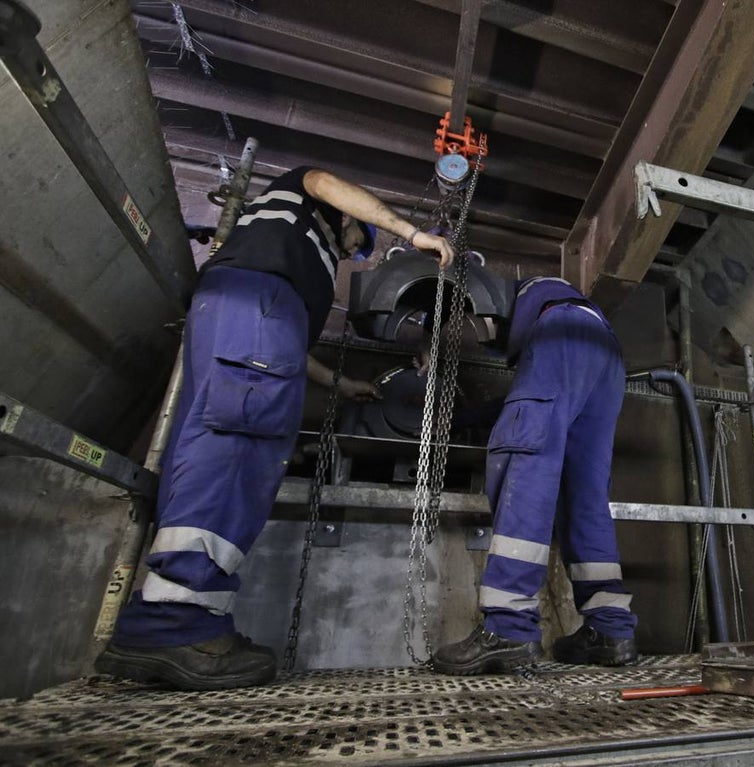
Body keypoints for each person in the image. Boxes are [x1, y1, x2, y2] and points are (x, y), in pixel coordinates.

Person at [95, 167, 454, 690]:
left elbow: (280, 350)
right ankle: (174, 624)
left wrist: (341, 384)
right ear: (348, 216)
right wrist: (413, 234)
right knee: (239, 444)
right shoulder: (304, 205)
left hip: (243, 315)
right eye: (357, 243)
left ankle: (176, 616)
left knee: (212, 438)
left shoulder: (273, 261)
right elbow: (327, 180)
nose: (354, 252)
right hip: (260, 305)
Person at [431, 276, 638, 675]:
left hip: (565, 333)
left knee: (524, 468)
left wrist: (429, 345)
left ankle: (508, 626)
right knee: (585, 496)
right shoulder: (552, 313)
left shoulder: (512, 300)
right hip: (607, 354)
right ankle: (610, 629)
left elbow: (527, 404)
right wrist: (458, 419)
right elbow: (531, 397)